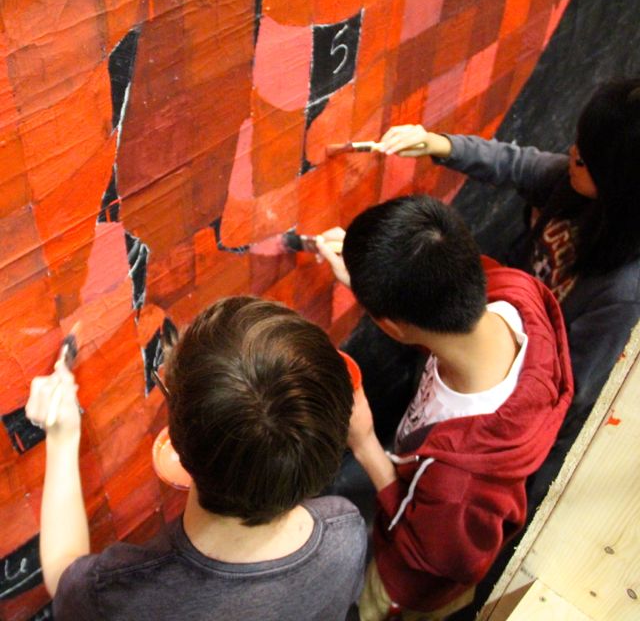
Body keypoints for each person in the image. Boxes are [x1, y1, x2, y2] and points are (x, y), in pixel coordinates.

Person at [376, 78, 640, 515]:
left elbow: (571, 389)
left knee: (442, 484)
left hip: (509, 395)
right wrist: (438, 144)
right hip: (490, 334)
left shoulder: (623, 291)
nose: (571, 154)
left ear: (621, 182)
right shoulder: (573, 184)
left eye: (585, 157)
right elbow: (515, 164)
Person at [26, 296, 366, 621]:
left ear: (175, 439)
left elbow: (64, 578)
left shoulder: (117, 594)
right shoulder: (345, 532)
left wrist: (61, 439)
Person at [316, 196, 573, 620]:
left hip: (411, 585)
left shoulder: (461, 485)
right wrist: (372, 279)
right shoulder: (514, 293)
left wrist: (364, 444)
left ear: (392, 327)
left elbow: (428, 554)